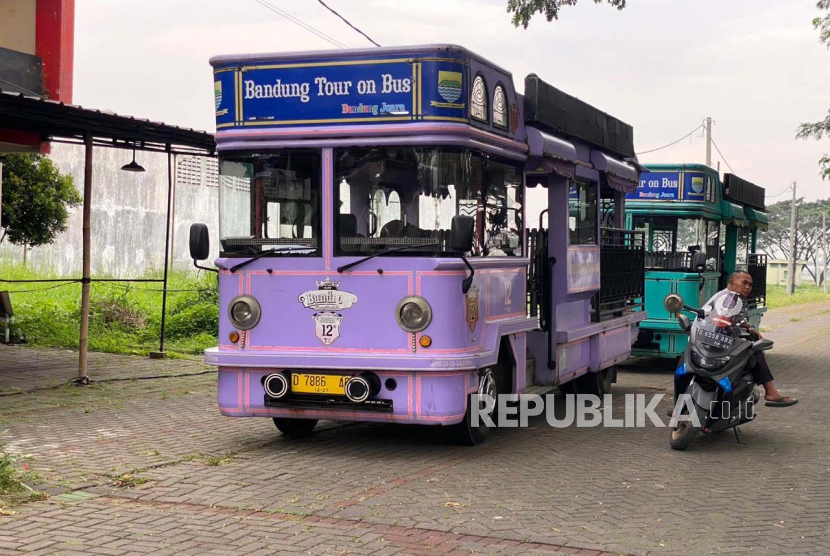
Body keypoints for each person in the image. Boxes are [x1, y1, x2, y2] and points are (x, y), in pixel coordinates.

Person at [702, 271, 797, 407]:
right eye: (744, 283)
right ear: (731, 283)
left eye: (750, 285)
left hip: (717, 341)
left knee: (753, 350)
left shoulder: (730, 297)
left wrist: (750, 327)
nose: (747, 287)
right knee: (755, 353)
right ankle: (770, 391)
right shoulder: (728, 298)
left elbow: (735, 319)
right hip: (714, 341)